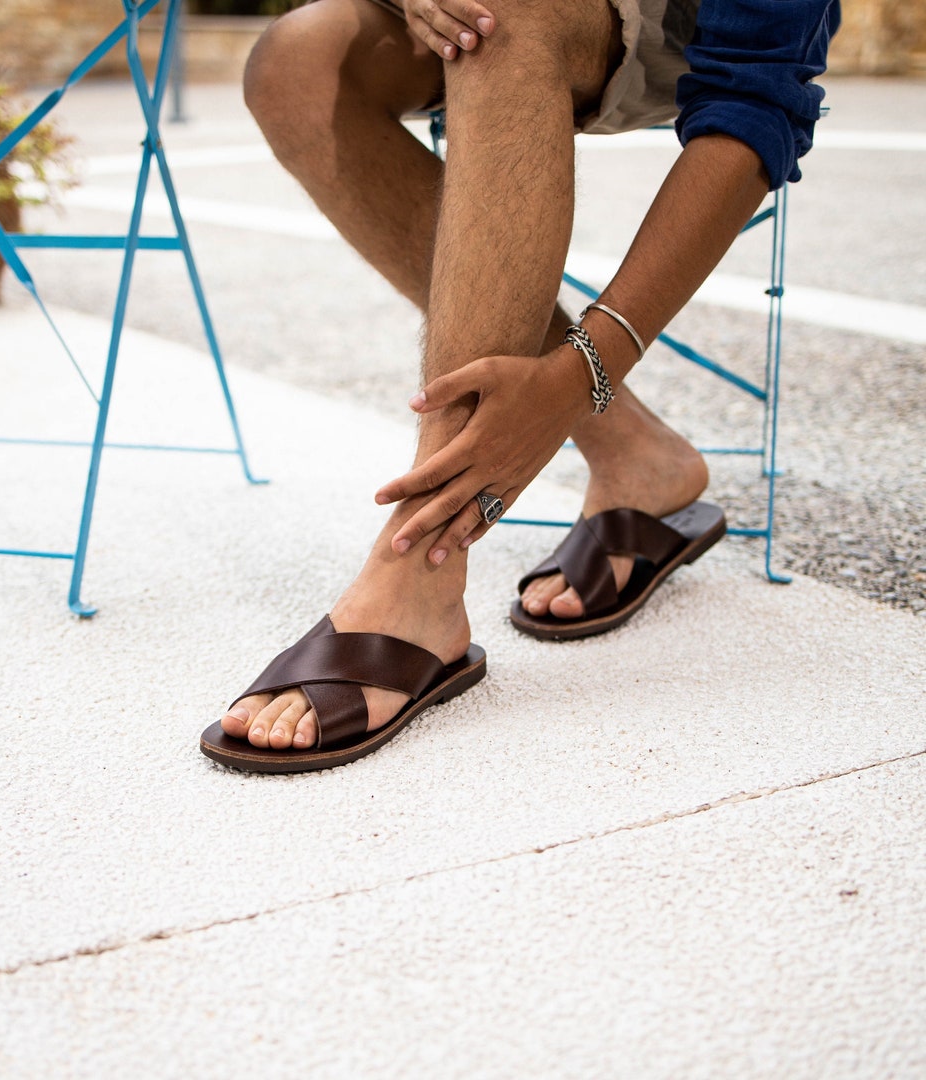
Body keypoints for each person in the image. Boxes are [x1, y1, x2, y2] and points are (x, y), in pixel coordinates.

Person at [199, 0, 840, 772]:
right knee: (295, 61)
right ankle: (635, 453)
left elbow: (756, 96)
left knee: (498, 15)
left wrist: (582, 373)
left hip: (678, 26)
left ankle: (421, 568)